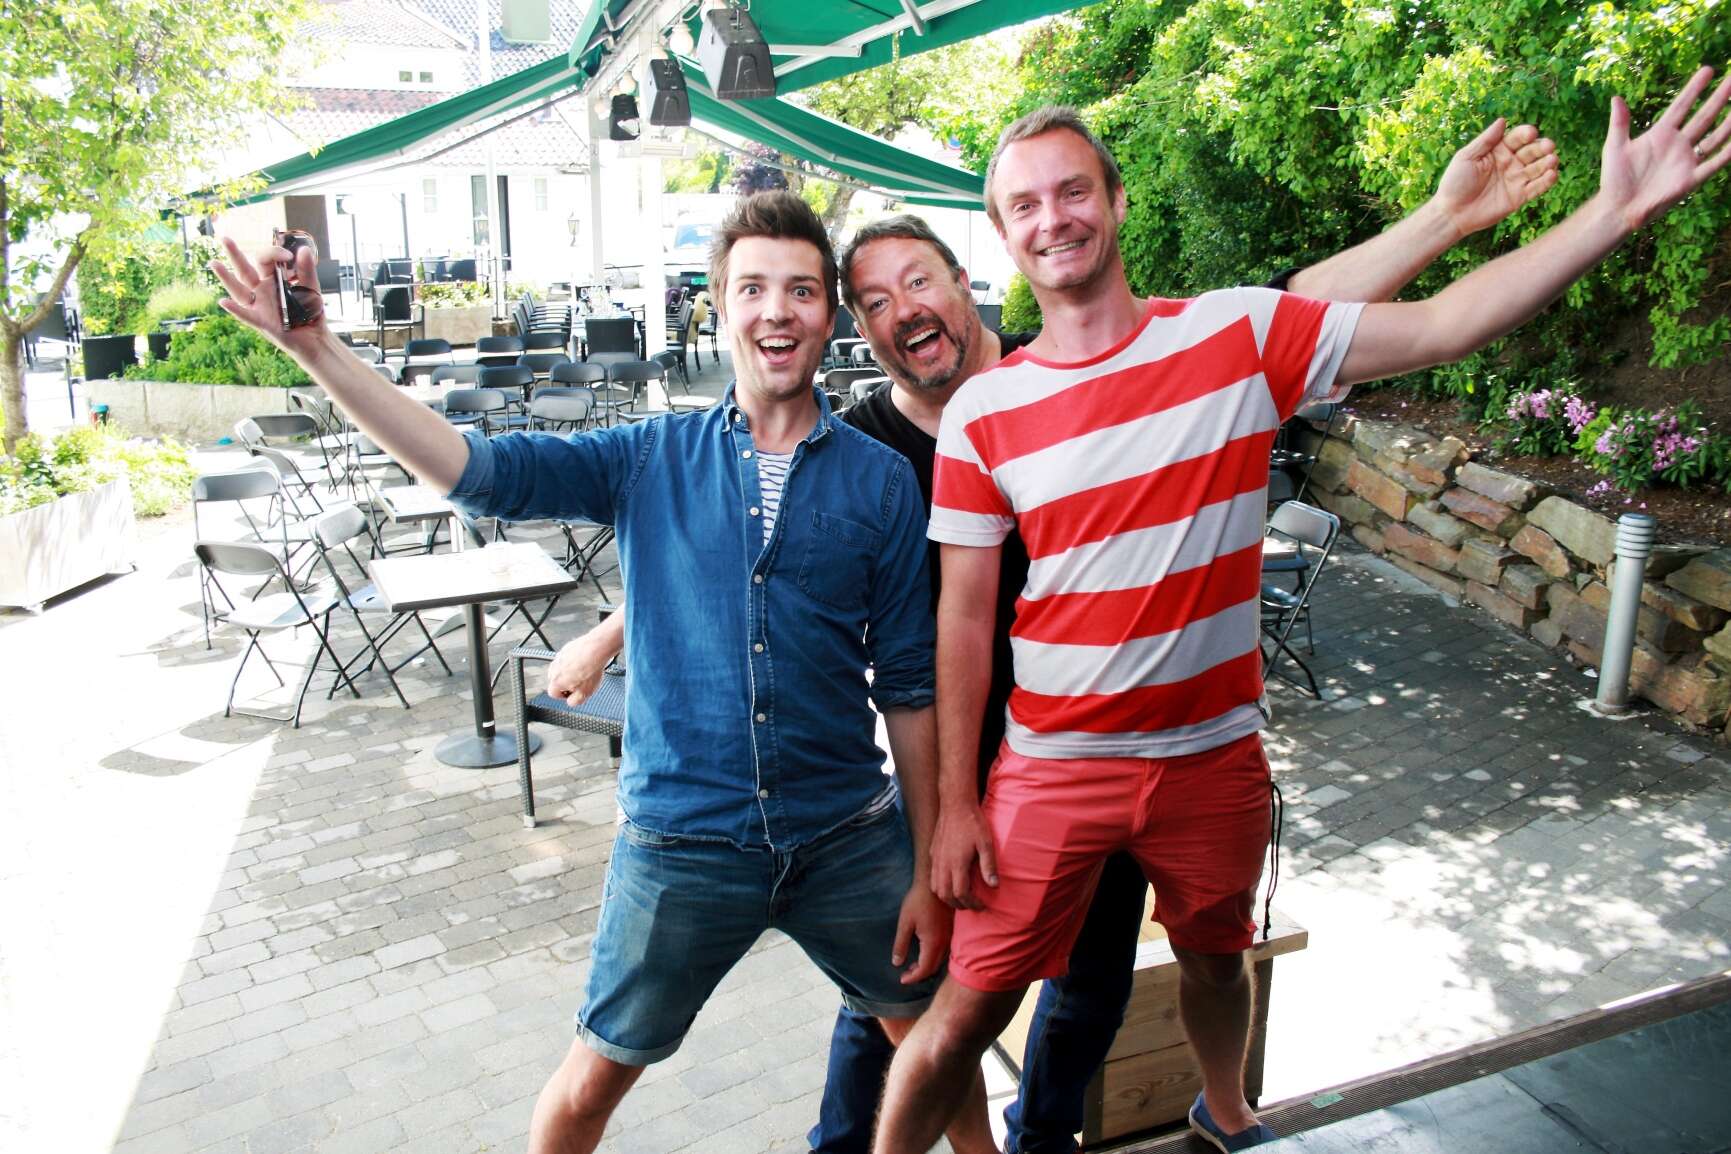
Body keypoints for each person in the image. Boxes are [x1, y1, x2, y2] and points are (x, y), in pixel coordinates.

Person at [545, 115, 1562, 1153]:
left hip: (1100, 738)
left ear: (967, 278)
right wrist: (613, 631)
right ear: (862, 328)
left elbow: (1285, 313)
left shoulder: (1065, 372)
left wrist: (1442, 218)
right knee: (902, 988)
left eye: (920, 282)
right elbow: (746, 558)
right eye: (875, 302)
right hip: (967, 750)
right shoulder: (859, 447)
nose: (905, 311)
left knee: (1093, 977)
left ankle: (1045, 1140)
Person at [873, 69, 1731, 1154]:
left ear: (1117, 200)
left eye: (1073, 190)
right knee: (963, 1015)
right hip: (1054, 764)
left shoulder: (1234, 336)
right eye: (1026, 204)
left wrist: (1610, 212)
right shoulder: (985, 412)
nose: (1055, 218)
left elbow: (1443, 325)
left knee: (1217, 958)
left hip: (1212, 754)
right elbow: (961, 620)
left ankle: (1226, 1110)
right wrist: (954, 805)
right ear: (1003, 236)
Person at [208, 190, 992, 1154]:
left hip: (845, 835)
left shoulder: (879, 479)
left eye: (800, 289)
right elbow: (476, 472)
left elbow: (908, 685)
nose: (776, 310)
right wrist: (317, 350)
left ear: (827, 314)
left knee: (939, 1058)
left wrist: (925, 863)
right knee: (586, 1089)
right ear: (720, 304)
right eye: (752, 288)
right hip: (683, 841)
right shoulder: (648, 456)